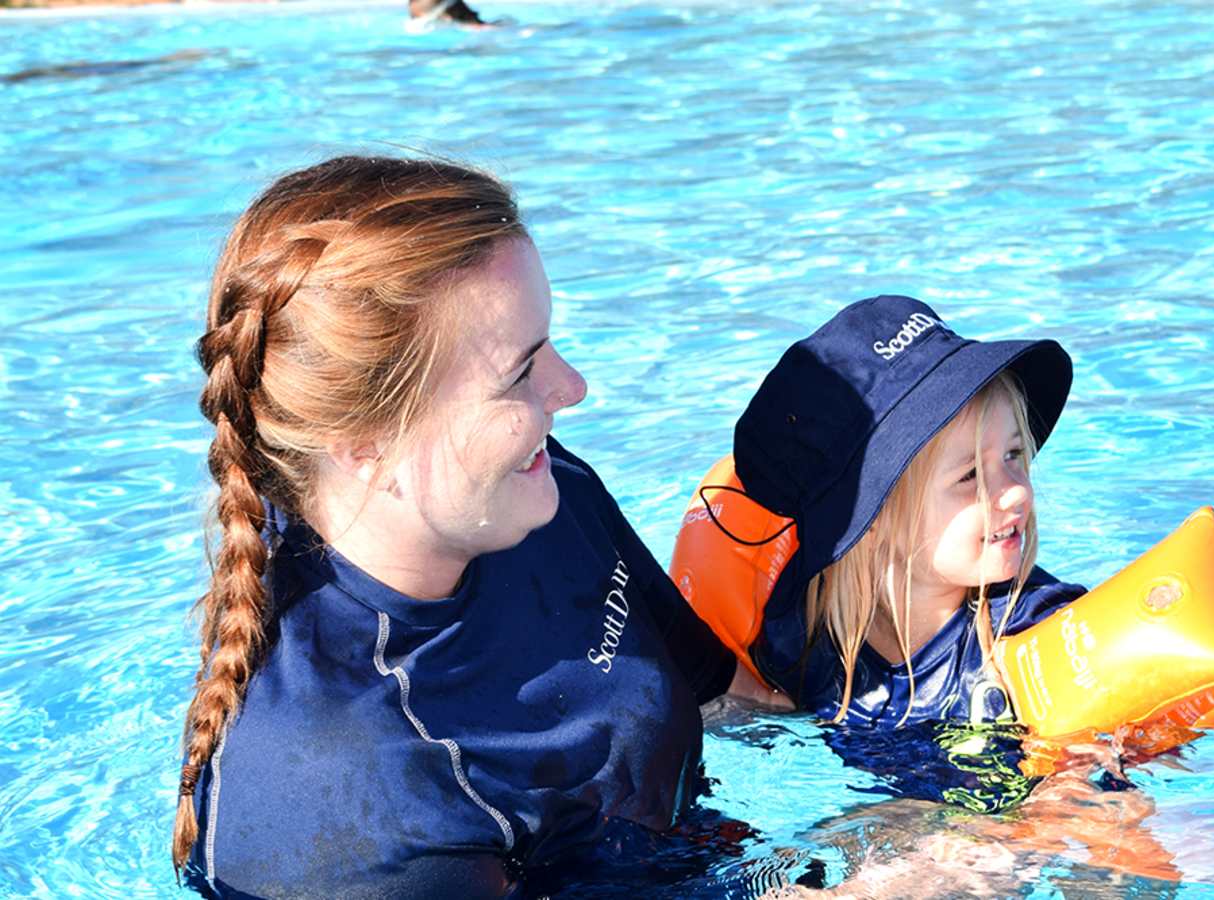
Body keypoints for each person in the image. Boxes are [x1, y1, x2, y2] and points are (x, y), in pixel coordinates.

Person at [171, 156, 767, 898]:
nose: (573, 387)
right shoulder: (348, 799)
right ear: (365, 445)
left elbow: (733, 699)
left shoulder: (539, 495)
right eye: (520, 371)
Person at [724, 295, 1087, 728]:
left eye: (1013, 454)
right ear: (868, 518)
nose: (1017, 493)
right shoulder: (805, 632)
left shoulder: (1037, 631)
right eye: (970, 475)